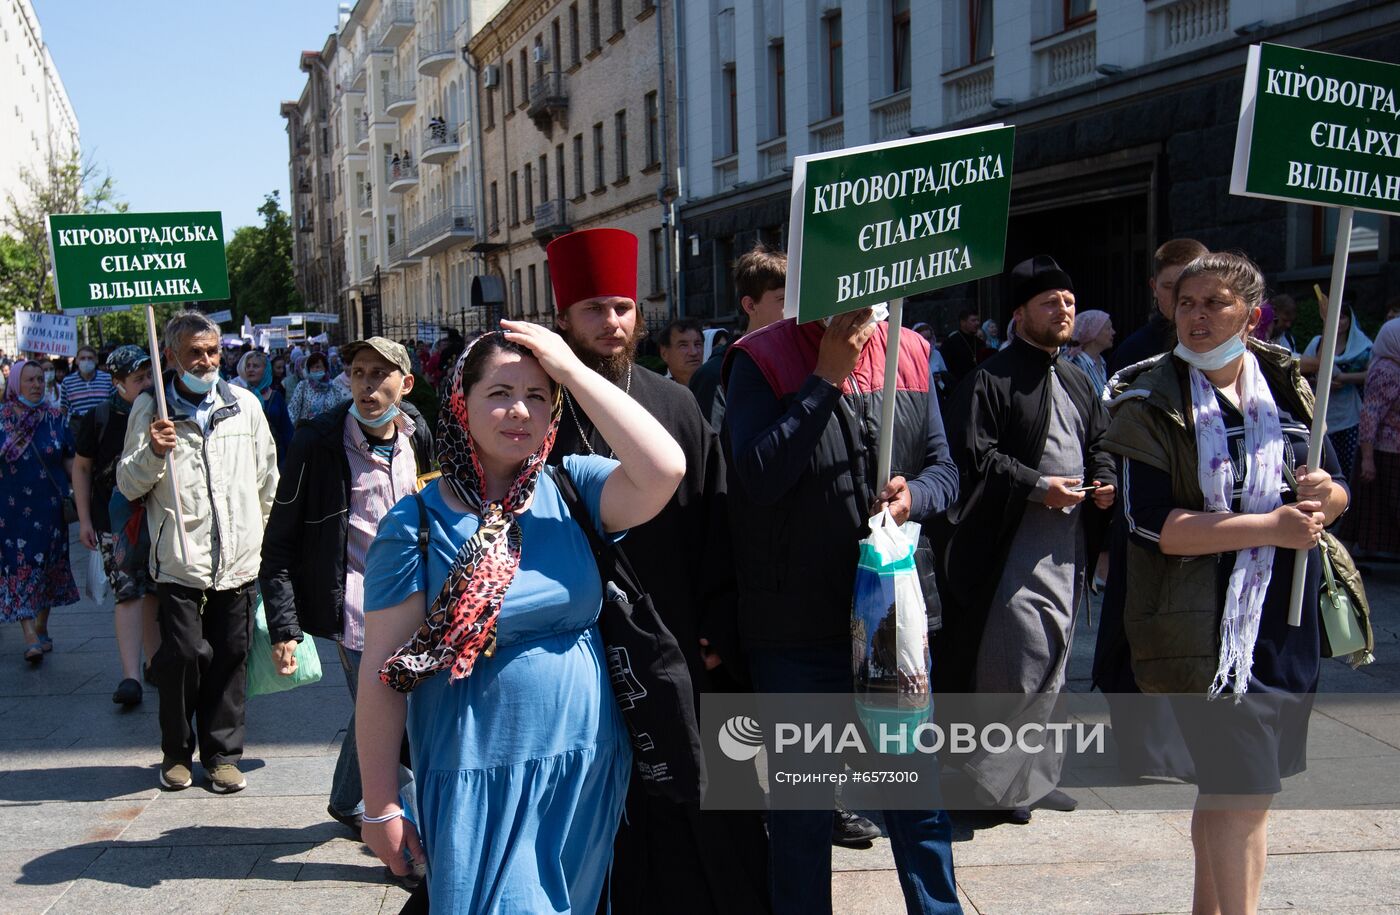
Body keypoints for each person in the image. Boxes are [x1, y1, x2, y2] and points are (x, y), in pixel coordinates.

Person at [356, 326, 684, 911]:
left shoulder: (572, 487)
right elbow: (384, 675)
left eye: (538, 395)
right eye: (500, 392)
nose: (519, 411)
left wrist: (574, 372)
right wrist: (380, 804)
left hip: (585, 766)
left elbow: (664, 469)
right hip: (475, 775)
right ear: (461, 402)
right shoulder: (415, 524)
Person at [1098, 252, 1347, 915]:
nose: (1197, 315)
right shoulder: (1149, 396)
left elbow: (1332, 480)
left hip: (1283, 623)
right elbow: (1148, 525)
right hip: (1200, 627)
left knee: (1227, 790)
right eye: (1186, 302)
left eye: (1215, 302)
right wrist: (1268, 524)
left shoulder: (1285, 382)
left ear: (1253, 314)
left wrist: (1328, 496)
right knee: (1245, 796)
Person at [544, 227, 770, 913]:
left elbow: (717, 523)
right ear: (563, 321)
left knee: (691, 815)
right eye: (594, 310)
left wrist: (715, 624)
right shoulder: (537, 415)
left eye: (622, 308)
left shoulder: (676, 405)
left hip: (673, 641)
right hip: (574, 653)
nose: (612, 323)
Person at [723, 293, 962, 912]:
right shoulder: (760, 358)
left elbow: (945, 469)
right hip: (798, 628)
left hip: (893, 622)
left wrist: (917, 497)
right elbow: (757, 476)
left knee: (916, 802)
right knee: (803, 818)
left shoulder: (910, 350)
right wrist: (824, 378)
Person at [933, 256, 1116, 822]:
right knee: (1016, 663)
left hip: (1068, 546)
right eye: (1049, 303)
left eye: (1068, 302)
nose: (1063, 310)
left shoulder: (1080, 377)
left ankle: (1034, 778)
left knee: (1056, 661)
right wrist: (1039, 487)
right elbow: (972, 458)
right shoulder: (990, 379)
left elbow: (1101, 441)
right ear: (1019, 315)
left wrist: (1105, 481)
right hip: (1012, 546)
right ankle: (992, 783)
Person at [261, 337, 433, 840]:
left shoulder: (418, 430)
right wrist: (284, 627)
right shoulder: (318, 441)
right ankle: (406, 826)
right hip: (355, 603)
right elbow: (281, 537)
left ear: (405, 384)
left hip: (416, 597)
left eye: (380, 374)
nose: (367, 384)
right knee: (390, 705)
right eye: (358, 372)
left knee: (378, 706)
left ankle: (344, 798)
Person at [116, 310, 280, 794]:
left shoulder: (244, 404)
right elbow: (128, 482)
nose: (206, 360)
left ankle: (223, 756)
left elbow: (267, 478)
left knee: (231, 655)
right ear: (171, 356)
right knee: (183, 656)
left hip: (237, 561)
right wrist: (153, 452)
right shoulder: (150, 407)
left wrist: (259, 537)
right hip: (180, 563)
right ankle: (176, 752)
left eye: (212, 350)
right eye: (195, 352)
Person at [73, 346, 162, 704]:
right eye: (138, 379)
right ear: (117, 382)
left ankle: (154, 663)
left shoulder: (162, 409)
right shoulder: (100, 417)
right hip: (114, 521)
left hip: (157, 515)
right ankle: (130, 677)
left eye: (148, 376)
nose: (146, 384)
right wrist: (83, 520)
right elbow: (81, 468)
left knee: (155, 590)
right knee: (128, 592)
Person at [0, 358, 78, 664]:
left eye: (39, 380)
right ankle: (29, 634)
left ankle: (42, 626)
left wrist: (85, 496)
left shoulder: (55, 418)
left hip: (50, 510)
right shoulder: (3, 419)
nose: (36, 385)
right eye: (29, 380)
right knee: (20, 569)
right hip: (11, 512)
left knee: (47, 569)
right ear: (15, 383)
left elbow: (70, 459)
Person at [690, 244, 787, 430]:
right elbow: (712, 452)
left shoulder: (797, 362)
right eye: (782, 300)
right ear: (750, 305)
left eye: (797, 299)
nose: (795, 310)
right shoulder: (715, 375)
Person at [1109, 238, 1210, 374]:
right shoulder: (1132, 353)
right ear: (1154, 287)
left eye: (1189, 286)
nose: (1179, 296)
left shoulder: (1226, 344)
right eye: (1169, 287)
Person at [1301, 293, 1371, 478]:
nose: (1339, 322)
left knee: (1347, 468)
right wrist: (1322, 383)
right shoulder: (1318, 343)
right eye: (1336, 317)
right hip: (1323, 415)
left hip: (1349, 415)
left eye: (1343, 317)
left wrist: (1345, 378)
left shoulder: (1362, 344)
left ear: (1350, 319)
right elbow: (1304, 373)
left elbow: (1371, 374)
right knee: (1323, 468)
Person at [1350, 317, 1400, 559]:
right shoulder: (1386, 370)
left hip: (1393, 451)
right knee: (1384, 505)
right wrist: (1367, 458)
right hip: (1385, 451)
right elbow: (1370, 414)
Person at [233, 350, 295, 462]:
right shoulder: (240, 396)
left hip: (274, 456)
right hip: (248, 457)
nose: (251, 369)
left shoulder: (276, 397)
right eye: (248, 366)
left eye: (256, 366)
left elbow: (287, 430)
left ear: (266, 370)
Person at [60, 345, 114, 429]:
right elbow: (63, 409)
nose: (86, 361)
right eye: (82, 358)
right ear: (76, 361)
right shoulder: (67, 382)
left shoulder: (108, 378)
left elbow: (114, 403)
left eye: (90, 358)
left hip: (103, 425)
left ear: (96, 360)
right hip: (77, 427)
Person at [288, 352, 351, 425]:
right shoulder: (302, 386)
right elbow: (293, 411)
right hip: (308, 432)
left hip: (329, 432)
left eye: (318, 367)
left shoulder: (333, 386)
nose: (315, 370)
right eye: (312, 367)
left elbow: (340, 410)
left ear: (325, 368)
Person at [1066, 309, 1115, 396]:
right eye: (1108, 328)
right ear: (1093, 332)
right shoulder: (1077, 364)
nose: (1113, 332)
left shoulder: (1101, 361)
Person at [939, 309, 982, 390]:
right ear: (963, 322)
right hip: (959, 386)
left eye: (978, 320)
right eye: (973, 320)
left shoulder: (980, 343)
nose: (977, 323)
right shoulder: (950, 343)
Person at [658, 317, 705, 387]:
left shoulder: (716, 387)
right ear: (664, 354)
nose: (694, 352)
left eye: (697, 344)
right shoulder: (655, 392)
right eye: (683, 345)